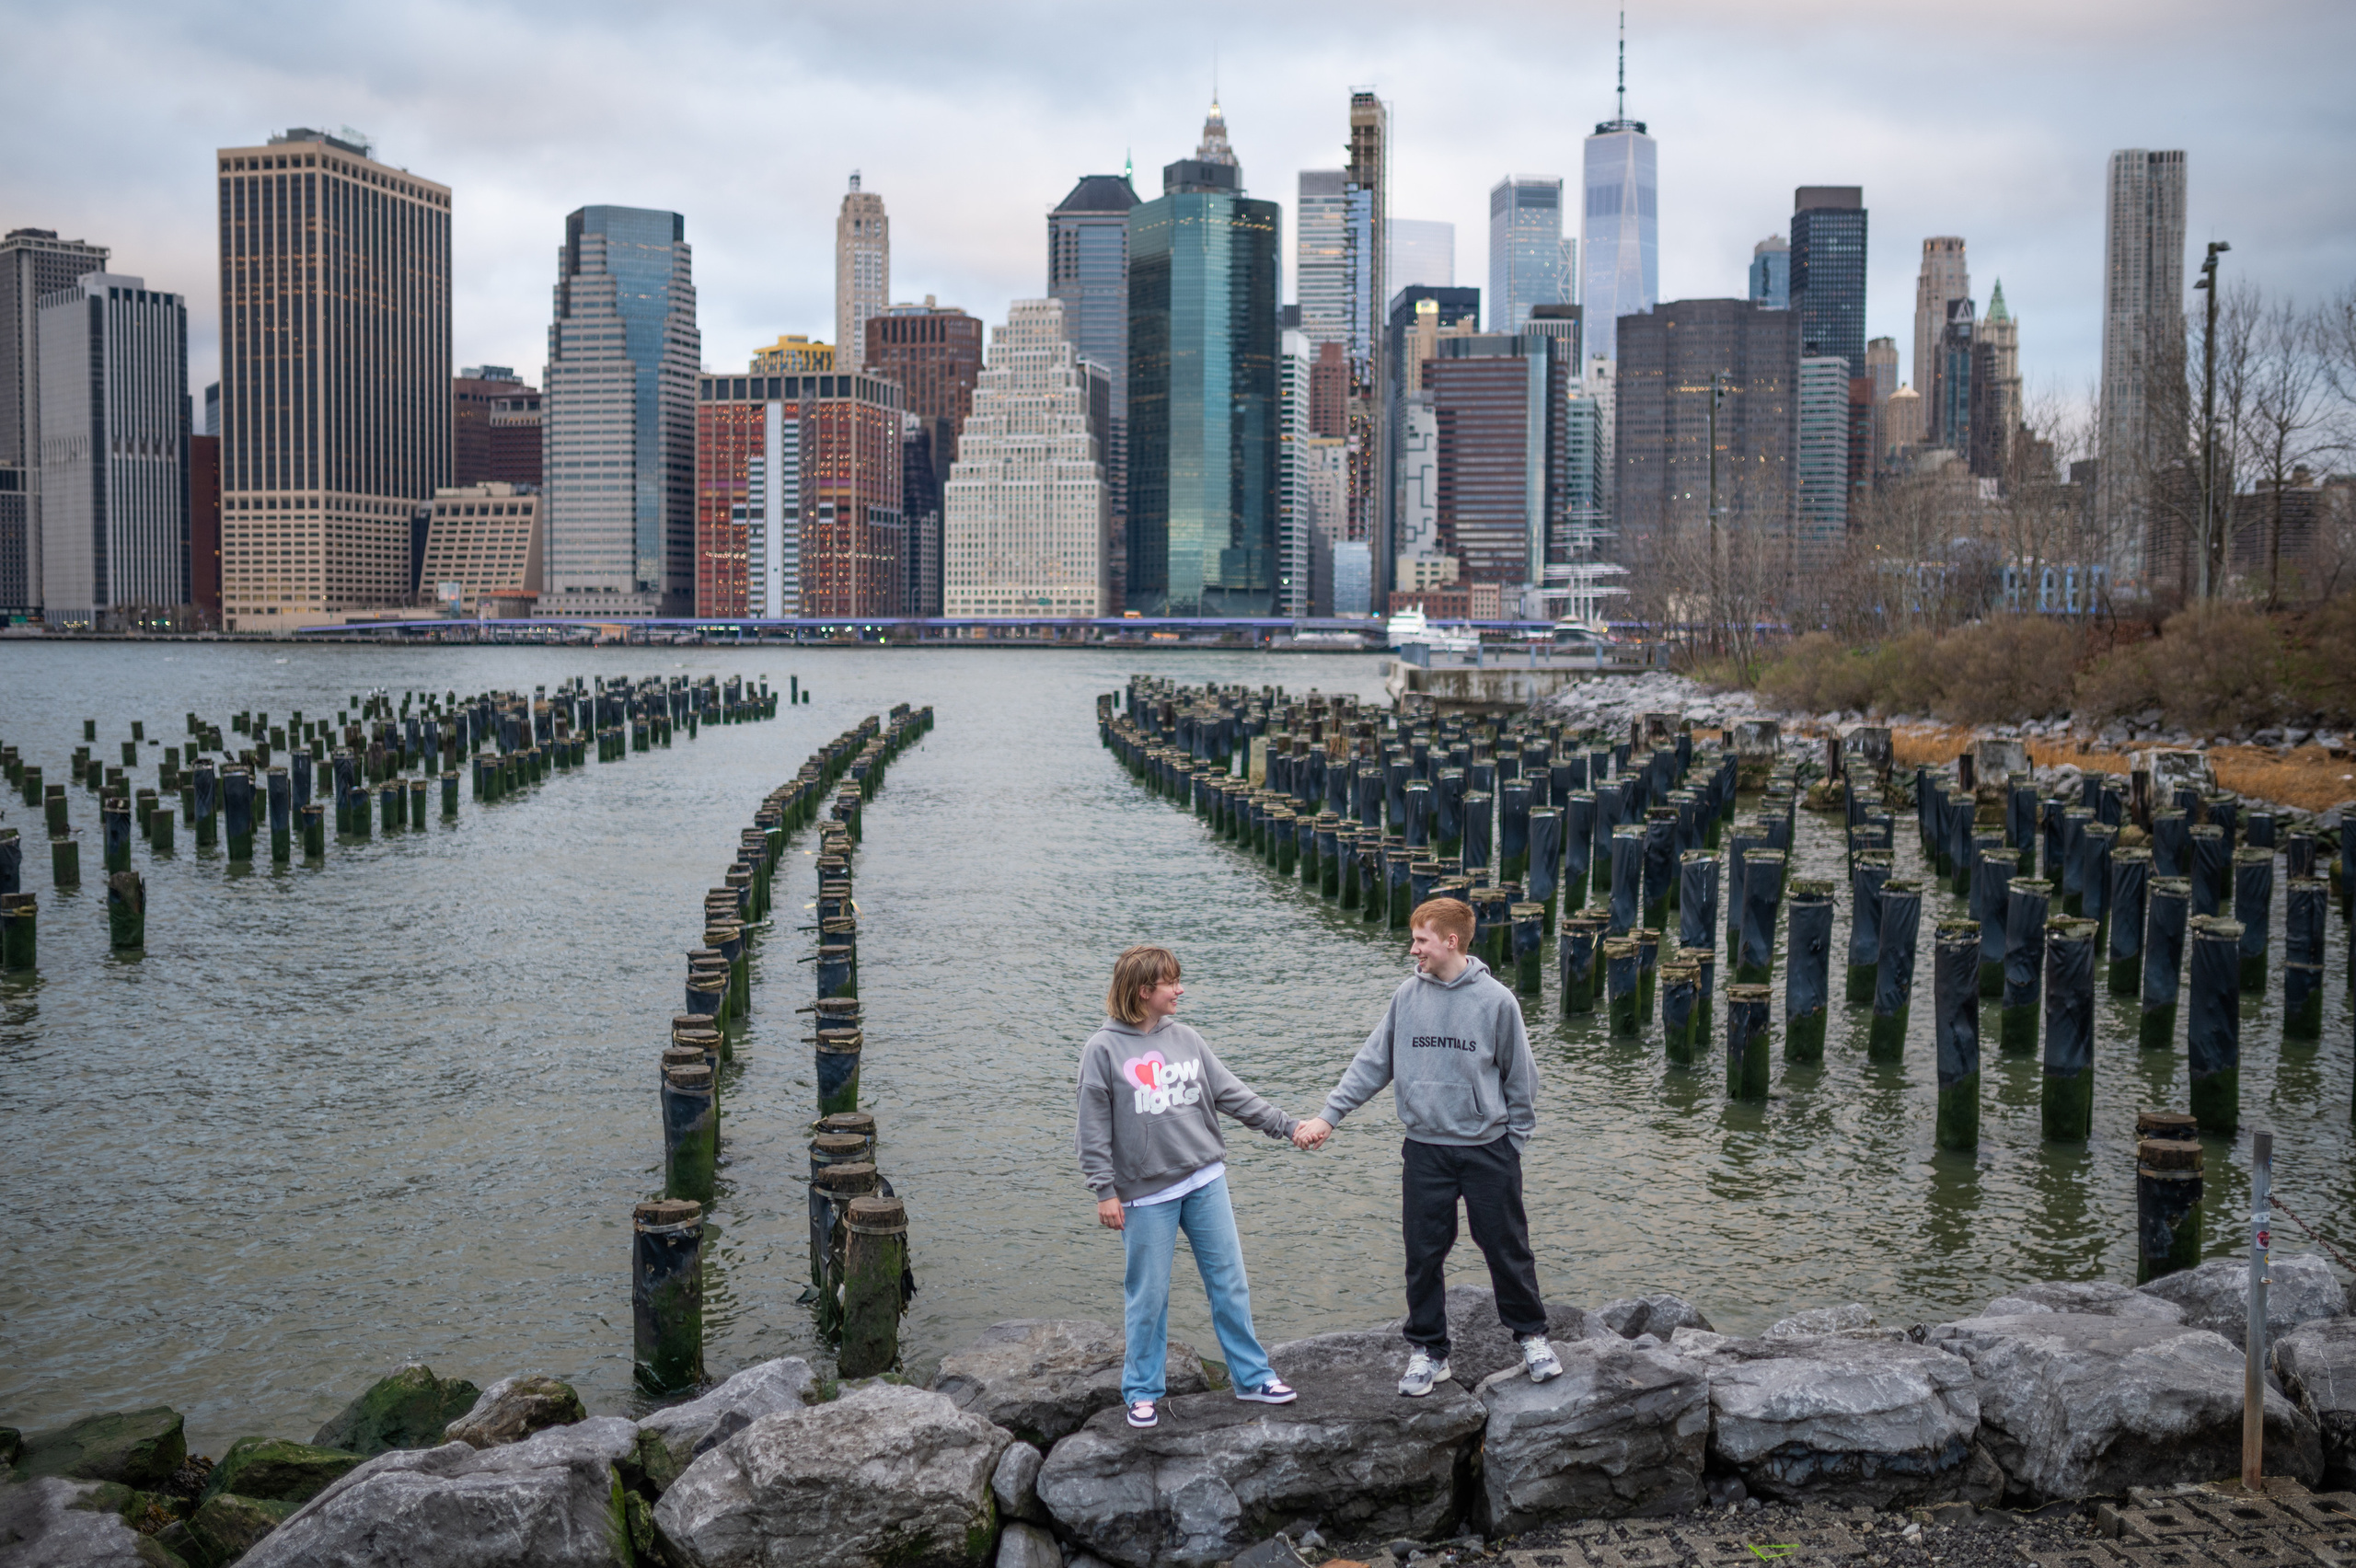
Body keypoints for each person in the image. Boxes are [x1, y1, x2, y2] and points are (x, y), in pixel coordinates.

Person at [1293, 896, 1560, 1396]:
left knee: (1507, 1250)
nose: (1413, 949)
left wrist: (1512, 1143)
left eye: (1421, 940)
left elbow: (1522, 1078)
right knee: (1423, 1254)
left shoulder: (1497, 1001)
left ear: (1450, 941)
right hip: (1424, 1150)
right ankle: (1428, 1352)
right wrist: (1330, 1116)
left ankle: (1532, 1339)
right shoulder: (1406, 997)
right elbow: (1373, 1063)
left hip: (1488, 1150)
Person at [1077, 943, 1301, 1428]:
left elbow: (1230, 1094)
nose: (1180, 990)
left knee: (1229, 1284)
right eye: (1170, 983)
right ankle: (1141, 1392)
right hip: (1143, 1196)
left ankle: (1252, 1378)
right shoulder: (1102, 1049)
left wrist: (1287, 1126)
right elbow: (1092, 1129)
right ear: (1143, 991)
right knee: (1148, 1295)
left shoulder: (1187, 1038)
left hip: (1205, 1181)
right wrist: (1104, 1191)